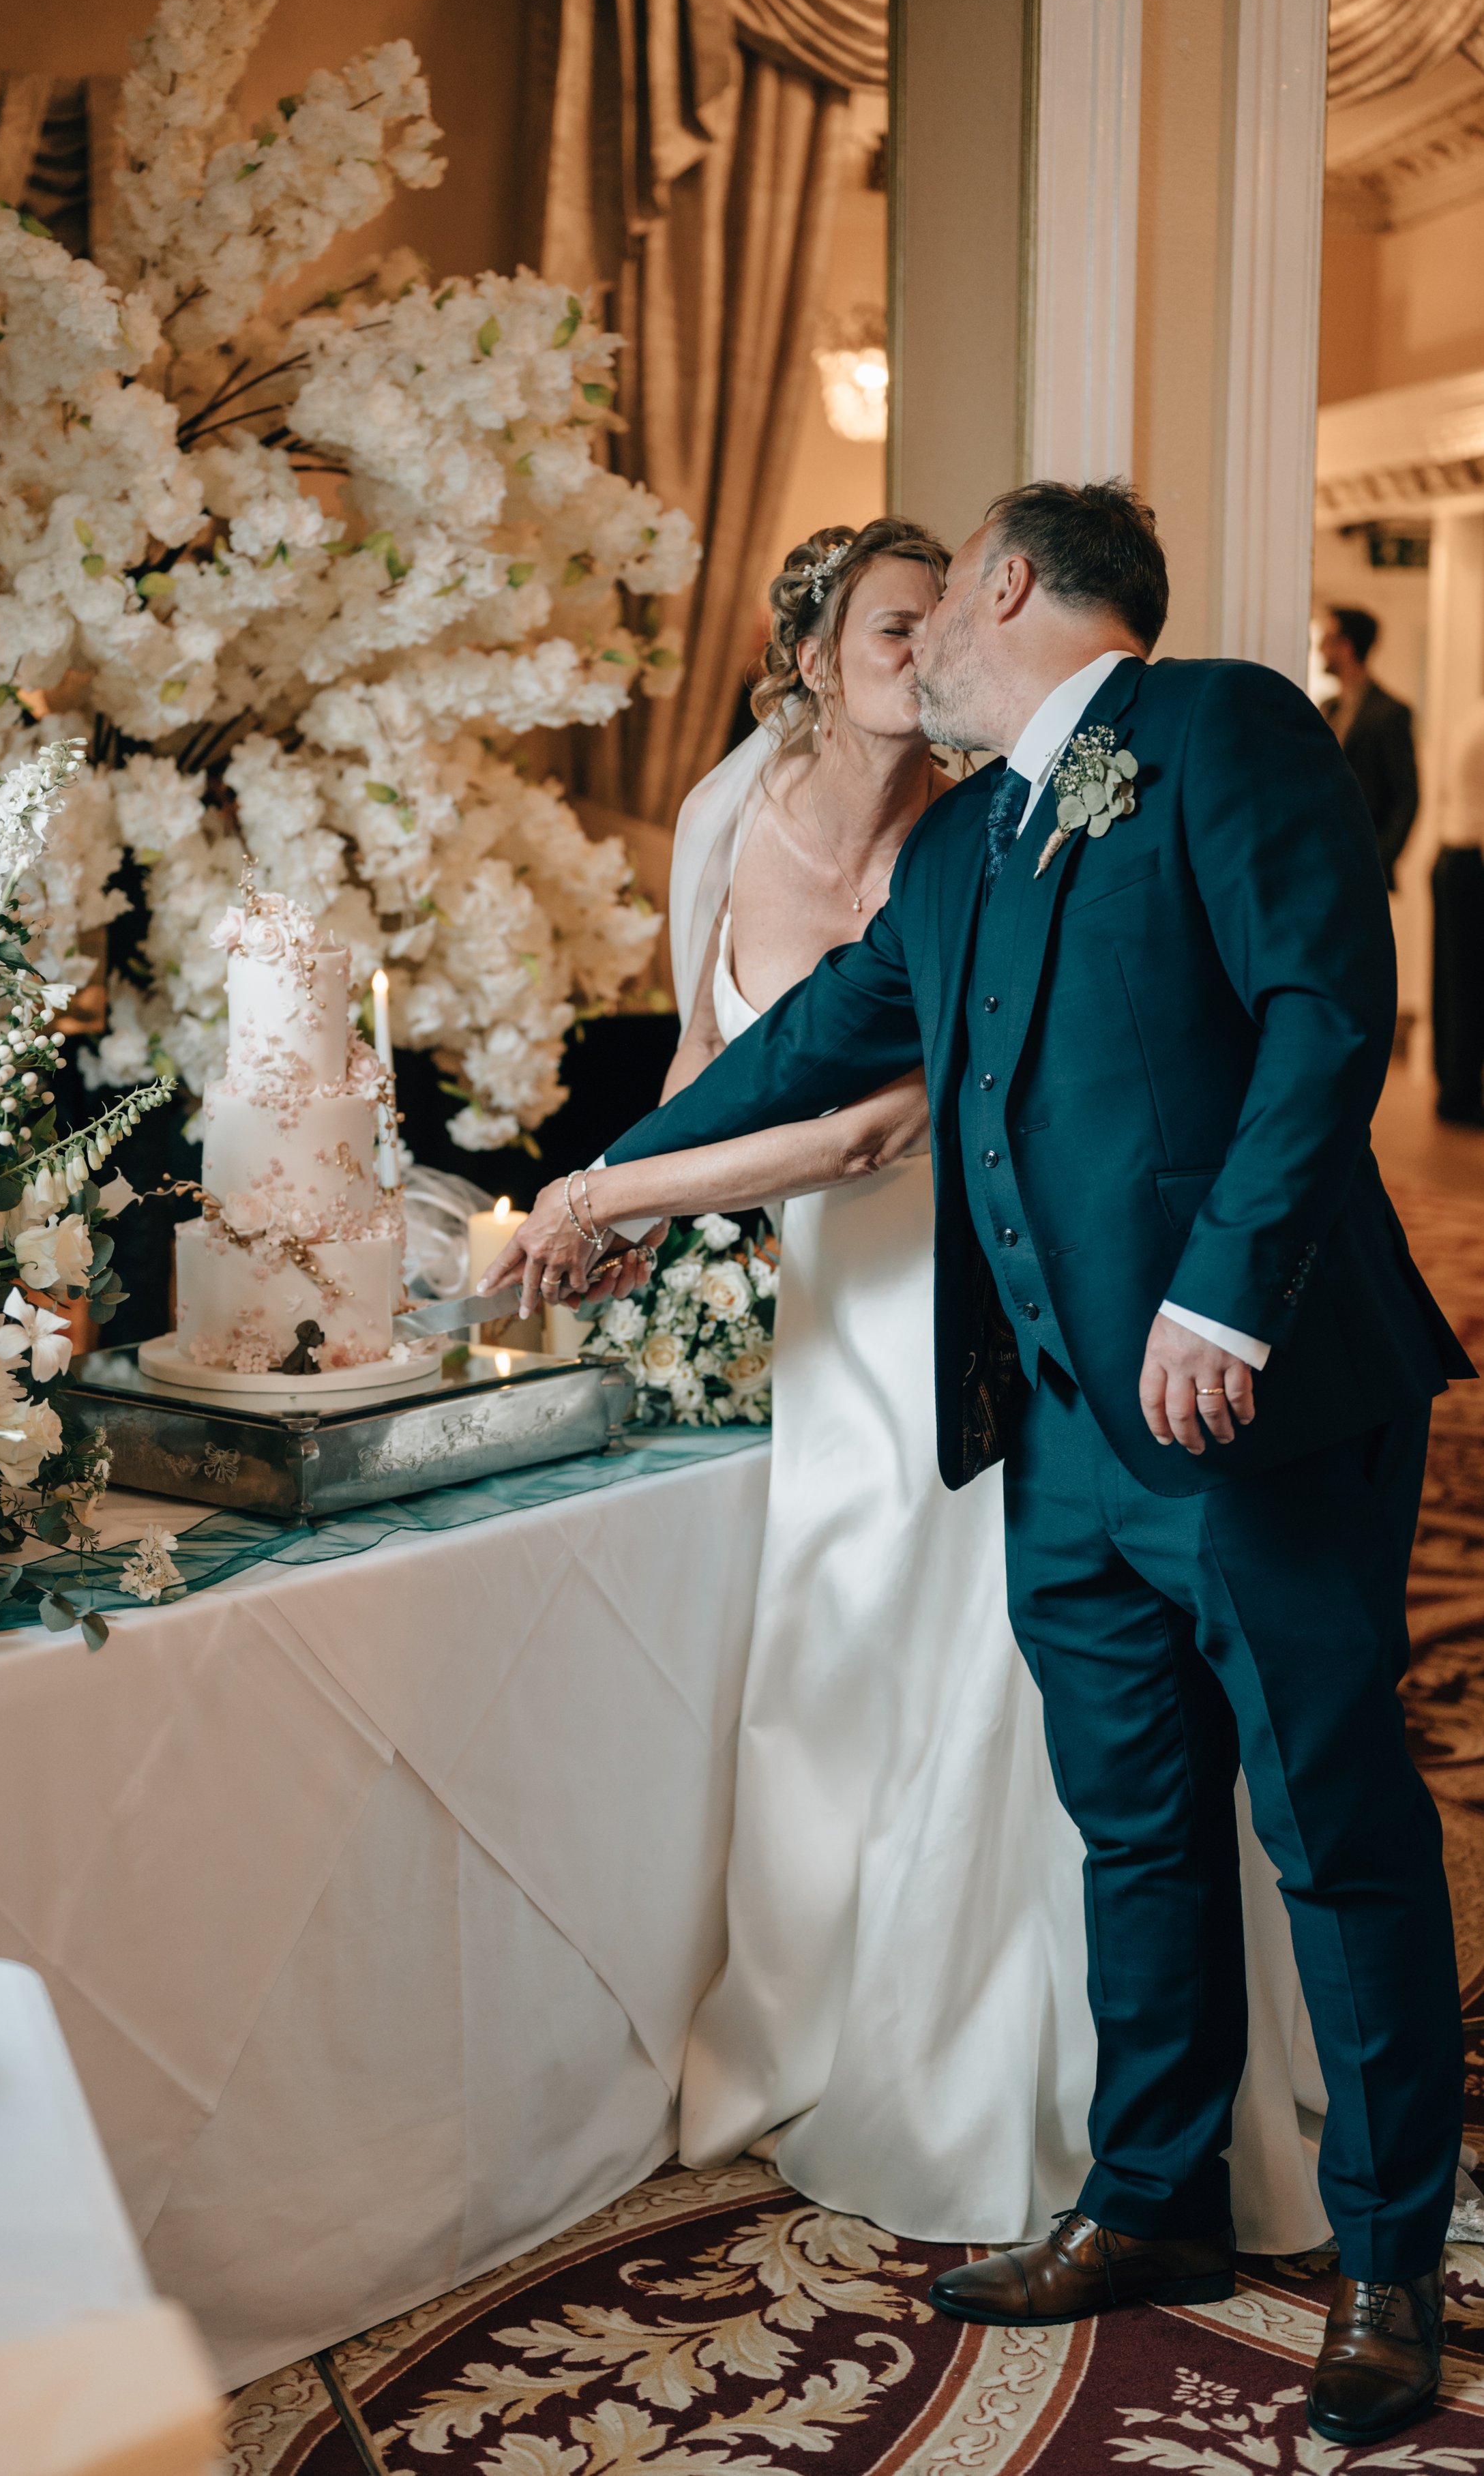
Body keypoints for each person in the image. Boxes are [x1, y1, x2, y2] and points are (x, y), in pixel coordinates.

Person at [488, 482, 1472, 2449]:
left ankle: (1383, 2258)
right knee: (1134, 1826)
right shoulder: (961, 854)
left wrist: (1224, 1293)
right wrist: (609, 1183)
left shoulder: (1210, 727)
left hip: (1248, 1399)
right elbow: (809, 1055)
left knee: (1327, 1813)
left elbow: (1319, 1007)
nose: (918, 633)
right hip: (1053, 1443)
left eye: (947, 603)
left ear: (1010, 587)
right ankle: (1149, 2196)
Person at [1320, 606, 1420, 885]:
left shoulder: (1390, 713)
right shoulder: (1328, 708)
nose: (1319, 649)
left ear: (1346, 646)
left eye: (1327, 640)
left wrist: (1379, 859)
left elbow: (1406, 797)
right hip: (1323, 861)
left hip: (1361, 865)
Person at [1432, 695, 1484, 1128]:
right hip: (1471, 857)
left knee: (1454, 980)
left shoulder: (1472, 714)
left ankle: (1454, 1085)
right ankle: (1461, 1095)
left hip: (1454, 852)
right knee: (1468, 984)